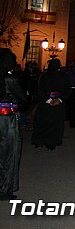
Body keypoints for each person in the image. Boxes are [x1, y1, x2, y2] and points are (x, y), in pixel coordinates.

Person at [0, 49, 28, 201]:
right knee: (9, 154)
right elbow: (23, 99)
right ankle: (4, 189)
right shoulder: (9, 79)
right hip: (7, 119)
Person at [31, 59, 71, 150]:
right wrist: (59, 100)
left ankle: (40, 141)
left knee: (43, 122)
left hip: (46, 102)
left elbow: (39, 90)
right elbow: (68, 90)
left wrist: (50, 100)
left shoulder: (44, 76)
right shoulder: (63, 76)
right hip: (54, 103)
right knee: (53, 123)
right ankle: (50, 142)